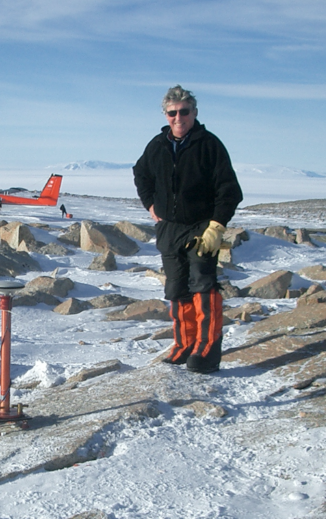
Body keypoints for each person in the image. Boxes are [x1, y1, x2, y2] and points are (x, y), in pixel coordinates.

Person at [133, 85, 243, 374]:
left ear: (194, 113)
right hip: (169, 229)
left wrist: (216, 226)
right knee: (176, 287)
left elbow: (229, 190)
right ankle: (185, 343)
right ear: (166, 114)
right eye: (172, 113)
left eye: (184, 111)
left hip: (200, 228)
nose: (178, 117)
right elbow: (140, 172)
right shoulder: (157, 145)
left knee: (202, 285)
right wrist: (151, 205)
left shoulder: (209, 145)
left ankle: (206, 350)